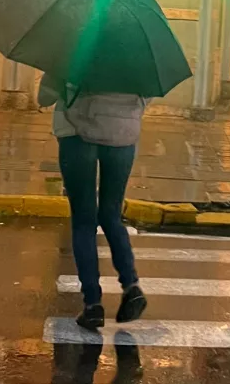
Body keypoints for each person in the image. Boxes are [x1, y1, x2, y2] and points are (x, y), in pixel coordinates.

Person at [38, 74, 149, 329]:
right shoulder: (135, 56)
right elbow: (147, 96)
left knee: (84, 220)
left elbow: (44, 97)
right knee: (111, 214)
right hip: (122, 137)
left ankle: (93, 304)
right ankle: (131, 287)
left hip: (78, 136)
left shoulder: (72, 48)